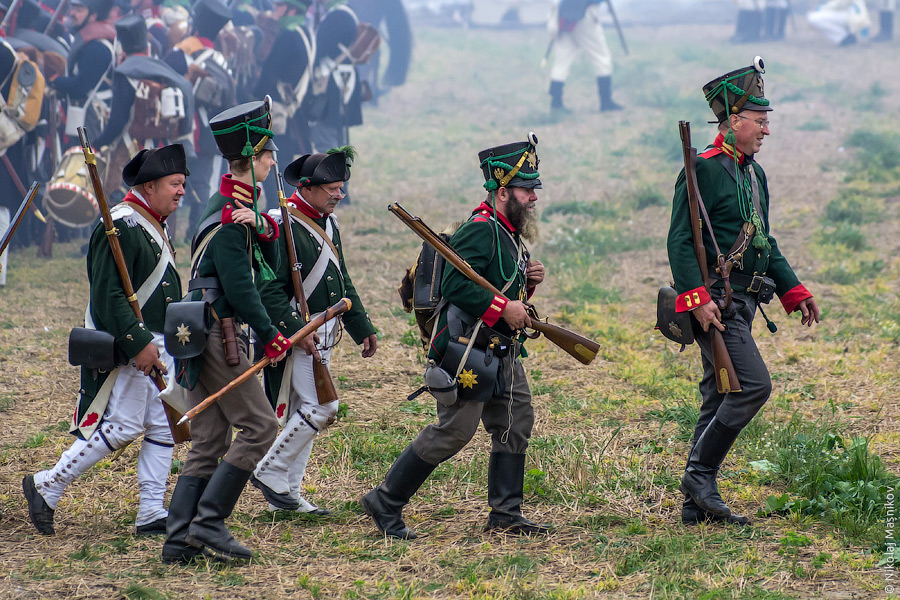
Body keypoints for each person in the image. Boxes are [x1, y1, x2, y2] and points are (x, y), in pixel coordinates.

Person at [361, 134, 550, 539]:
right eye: (526, 188)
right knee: (454, 431)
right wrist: (505, 308)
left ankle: (505, 514)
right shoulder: (481, 229)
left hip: (502, 348)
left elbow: (498, 286)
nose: (533, 197)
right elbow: (455, 286)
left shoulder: (507, 232)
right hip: (469, 350)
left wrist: (526, 286)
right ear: (503, 192)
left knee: (516, 422)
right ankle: (386, 500)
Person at [666, 58, 820, 526]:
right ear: (734, 122)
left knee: (719, 393)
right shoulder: (704, 169)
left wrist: (794, 291)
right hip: (716, 303)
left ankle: (696, 504)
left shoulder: (754, 174)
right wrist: (698, 298)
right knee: (753, 387)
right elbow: (679, 240)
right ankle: (699, 477)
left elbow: (762, 240)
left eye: (767, 121)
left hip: (744, 301)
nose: (767, 131)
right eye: (761, 121)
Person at [23, 144, 189, 536]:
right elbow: (108, 295)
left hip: (158, 342)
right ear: (149, 186)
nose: (182, 191)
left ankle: (150, 511)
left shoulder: (151, 220)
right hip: (135, 345)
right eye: (175, 184)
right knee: (123, 427)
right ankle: (47, 483)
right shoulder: (120, 225)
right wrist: (139, 344)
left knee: (163, 428)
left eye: (182, 183)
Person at [161, 99, 290, 564]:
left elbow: (268, 270)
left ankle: (179, 540)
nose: (273, 162)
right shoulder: (231, 217)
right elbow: (242, 286)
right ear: (253, 160)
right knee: (261, 426)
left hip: (199, 329)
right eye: (268, 156)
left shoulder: (233, 207)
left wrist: (267, 229)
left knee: (211, 439)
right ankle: (210, 521)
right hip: (218, 329)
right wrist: (271, 332)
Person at [252, 148, 377, 515]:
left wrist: (361, 326)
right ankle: (270, 470)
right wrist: (296, 330)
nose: (339, 194)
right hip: (295, 333)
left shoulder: (330, 222)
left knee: (301, 411)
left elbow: (342, 280)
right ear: (307, 188)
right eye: (332, 189)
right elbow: (269, 290)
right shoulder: (281, 223)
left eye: (341, 188)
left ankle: (287, 495)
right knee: (323, 407)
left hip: (324, 329)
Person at [49, 0, 116, 140]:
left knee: (89, 159)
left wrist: (55, 81)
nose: (72, 13)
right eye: (73, 8)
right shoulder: (90, 42)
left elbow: (81, 86)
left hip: (92, 115)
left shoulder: (97, 48)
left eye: (79, 10)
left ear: (93, 16)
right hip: (86, 113)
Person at [547, 0, 622, 113]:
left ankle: (556, 103)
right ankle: (606, 102)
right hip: (585, 15)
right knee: (601, 58)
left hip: (563, 15)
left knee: (561, 61)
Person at [807, 0, 872, 46]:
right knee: (813, 15)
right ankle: (849, 35)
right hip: (856, 16)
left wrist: (819, 9)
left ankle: (844, 37)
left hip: (854, 17)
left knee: (813, 17)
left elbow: (839, 3)